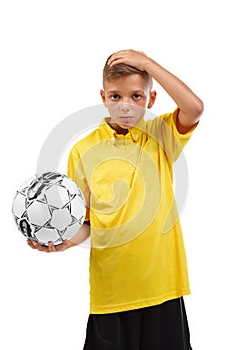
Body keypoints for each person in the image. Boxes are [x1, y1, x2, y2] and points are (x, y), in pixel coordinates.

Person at [28, 49, 204, 349]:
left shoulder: (160, 135)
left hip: (162, 289)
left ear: (151, 99)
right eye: (116, 96)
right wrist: (66, 239)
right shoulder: (82, 151)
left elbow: (195, 107)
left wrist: (147, 63)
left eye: (136, 96)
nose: (126, 105)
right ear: (103, 96)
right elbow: (85, 223)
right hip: (111, 294)